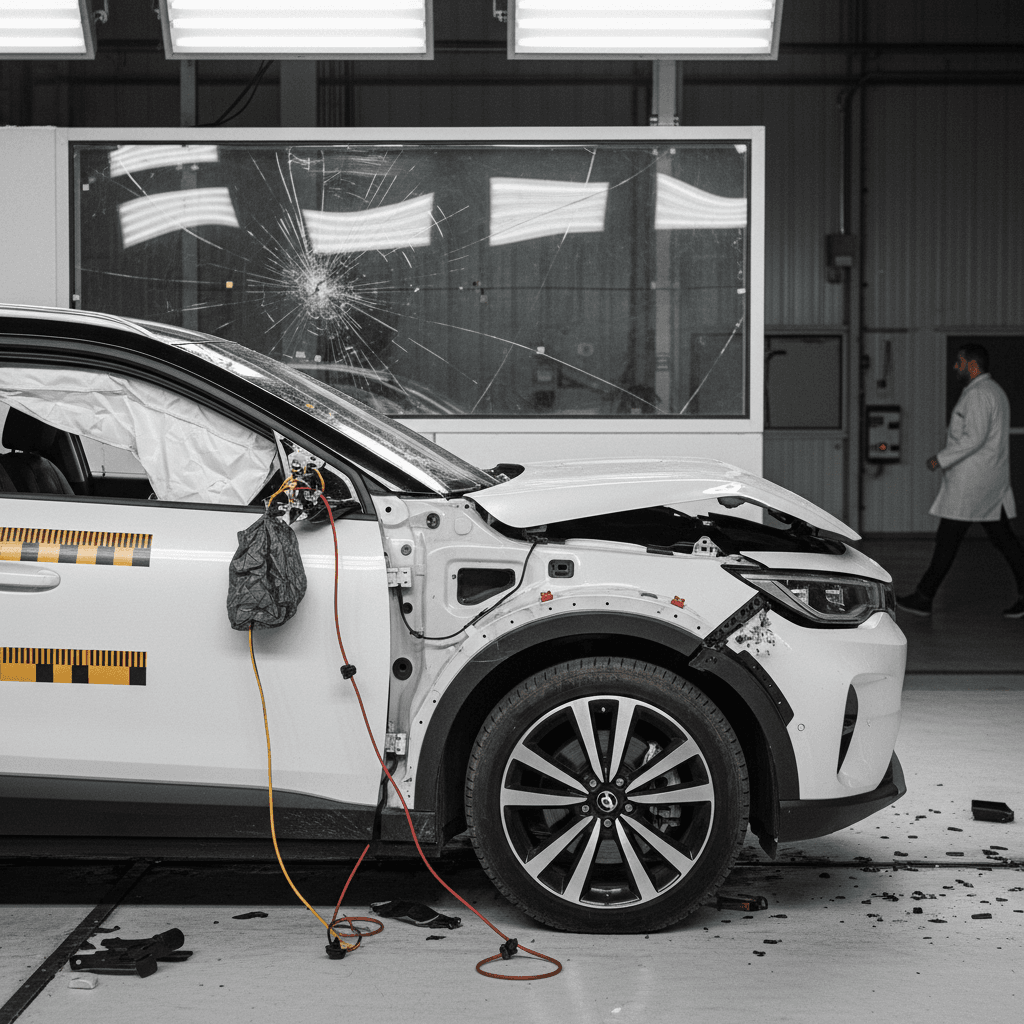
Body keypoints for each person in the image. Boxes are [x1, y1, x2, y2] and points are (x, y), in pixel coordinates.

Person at [897, 343, 1024, 618]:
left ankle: (924, 596)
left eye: (959, 362)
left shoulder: (979, 395)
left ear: (972, 365)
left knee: (949, 538)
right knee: (1003, 539)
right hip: (987, 480)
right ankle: (924, 595)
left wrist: (939, 459)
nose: (955, 367)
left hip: (974, 482)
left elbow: (974, 438)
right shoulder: (994, 392)